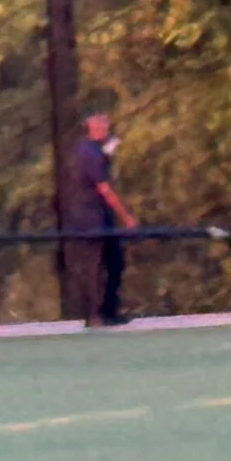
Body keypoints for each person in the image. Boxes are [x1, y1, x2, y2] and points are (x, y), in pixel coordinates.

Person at [74, 112, 136, 325]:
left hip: (102, 216)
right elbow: (104, 188)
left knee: (115, 262)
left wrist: (108, 155)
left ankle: (110, 311)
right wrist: (126, 216)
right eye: (103, 123)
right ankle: (95, 314)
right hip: (92, 217)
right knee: (96, 265)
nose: (107, 127)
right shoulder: (89, 153)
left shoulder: (94, 151)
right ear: (93, 126)